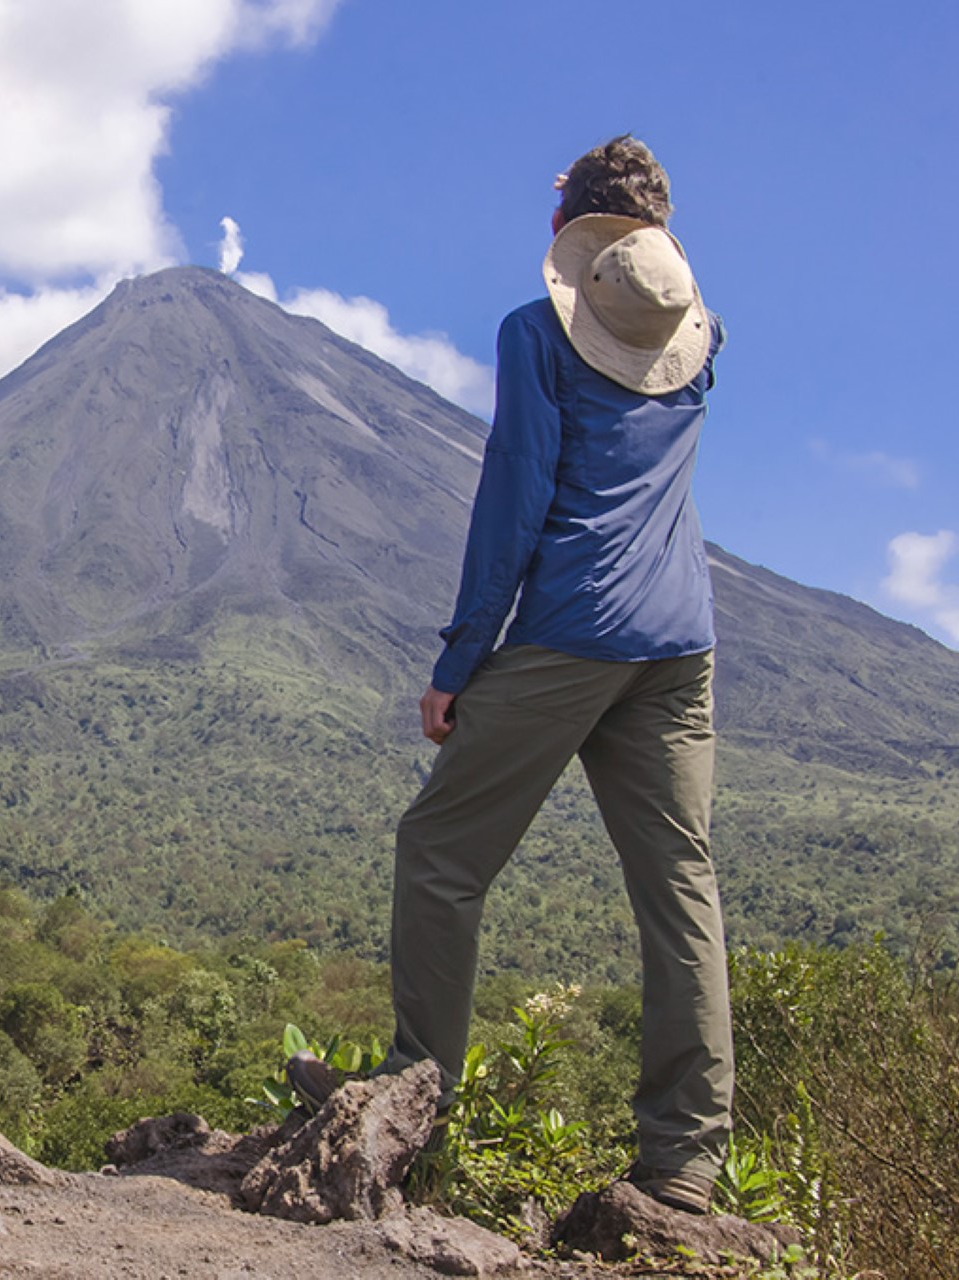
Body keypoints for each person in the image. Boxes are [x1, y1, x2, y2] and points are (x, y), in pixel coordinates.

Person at [295, 136, 732, 1214]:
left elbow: (516, 501)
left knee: (441, 850)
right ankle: (684, 1164)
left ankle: (412, 1101)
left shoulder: (538, 335)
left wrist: (459, 658)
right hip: (681, 646)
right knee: (682, 891)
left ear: (566, 238)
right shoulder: (703, 338)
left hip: (570, 634)